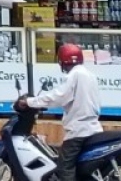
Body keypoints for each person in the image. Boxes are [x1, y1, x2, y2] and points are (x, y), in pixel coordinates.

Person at [17, 42, 101, 181]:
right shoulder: (89, 75)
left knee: (64, 168)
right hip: (92, 127)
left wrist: (30, 102)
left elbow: (58, 97)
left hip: (78, 131)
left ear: (63, 61)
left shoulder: (74, 75)